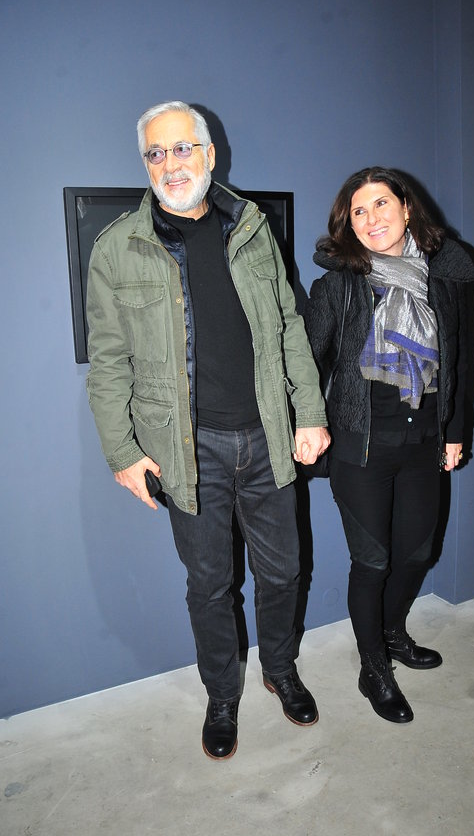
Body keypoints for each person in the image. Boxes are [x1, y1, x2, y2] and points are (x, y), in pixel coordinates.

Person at [86, 101, 330, 759]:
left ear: (209, 154)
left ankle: (280, 670)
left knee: (283, 572)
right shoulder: (117, 250)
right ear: (146, 164)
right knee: (211, 585)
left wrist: (310, 412)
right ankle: (223, 696)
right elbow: (107, 364)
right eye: (155, 153)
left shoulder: (252, 226)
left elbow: (289, 324)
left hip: (269, 436)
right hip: (188, 450)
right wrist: (122, 452)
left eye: (182, 148)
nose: (170, 164)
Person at [304, 167, 474, 723]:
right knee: (372, 561)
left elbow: (462, 359)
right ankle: (373, 665)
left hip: (425, 440)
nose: (371, 218)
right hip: (362, 447)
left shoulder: (444, 278)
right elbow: (306, 363)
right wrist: (306, 423)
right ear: (348, 224)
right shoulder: (339, 286)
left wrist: (456, 430)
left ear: (406, 208)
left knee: (418, 552)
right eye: (358, 211)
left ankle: (393, 632)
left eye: (381, 204)